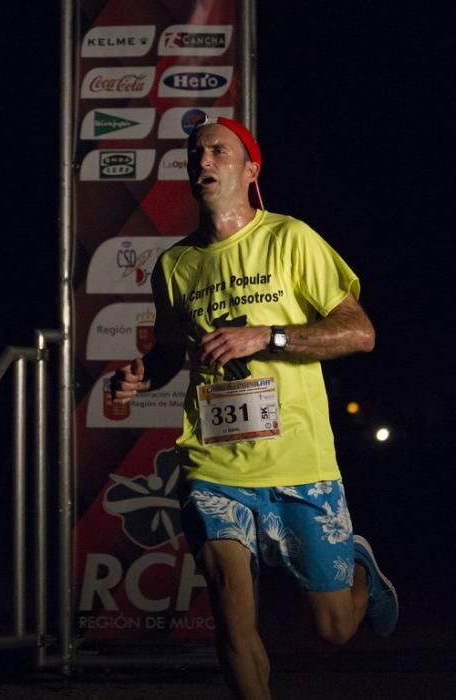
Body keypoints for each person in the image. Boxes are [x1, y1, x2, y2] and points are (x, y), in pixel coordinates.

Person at [112, 115, 398, 700]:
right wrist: (141, 374)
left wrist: (268, 336)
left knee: (335, 627)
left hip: (299, 462)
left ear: (250, 170)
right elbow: (172, 349)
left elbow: (360, 333)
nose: (204, 162)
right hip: (214, 465)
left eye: (218, 151)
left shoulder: (290, 238)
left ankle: (362, 572)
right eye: (195, 154)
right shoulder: (175, 265)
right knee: (232, 621)